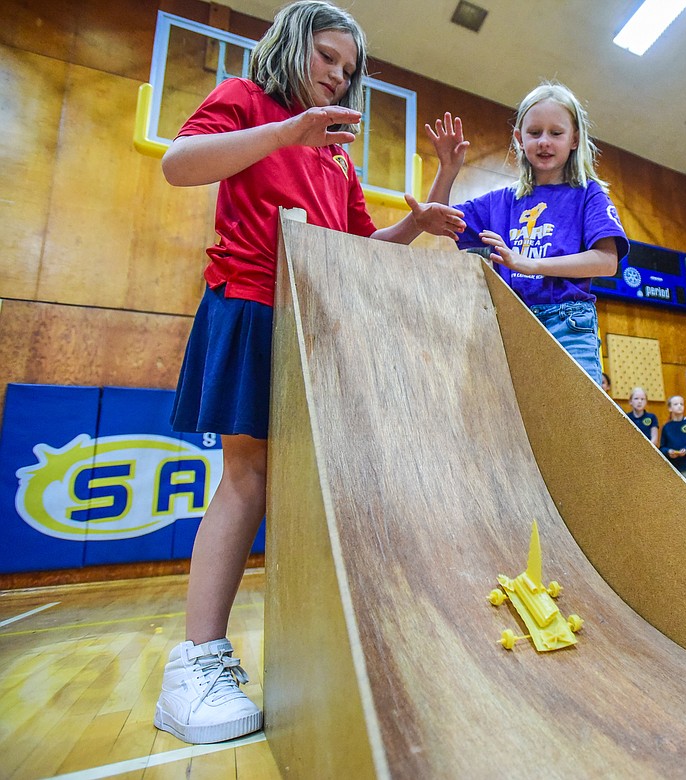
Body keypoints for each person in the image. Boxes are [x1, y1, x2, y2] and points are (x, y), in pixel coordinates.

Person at [156, 0, 466, 745]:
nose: (338, 76)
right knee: (248, 476)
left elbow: (362, 250)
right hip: (252, 306)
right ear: (292, 43)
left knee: (316, 487)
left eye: (349, 70)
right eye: (328, 57)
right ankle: (194, 662)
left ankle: (320, 651)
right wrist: (287, 130)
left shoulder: (338, 156)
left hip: (316, 327)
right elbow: (178, 164)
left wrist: (421, 218)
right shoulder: (246, 101)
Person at [442, 81, 629, 385]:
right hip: (512, 322)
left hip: (568, 325)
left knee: (575, 423)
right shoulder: (501, 201)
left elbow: (607, 261)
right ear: (519, 138)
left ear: (574, 139)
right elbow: (439, 219)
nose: (544, 141)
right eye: (534, 133)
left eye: (556, 133)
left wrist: (531, 264)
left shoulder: (588, 195)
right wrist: (448, 170)